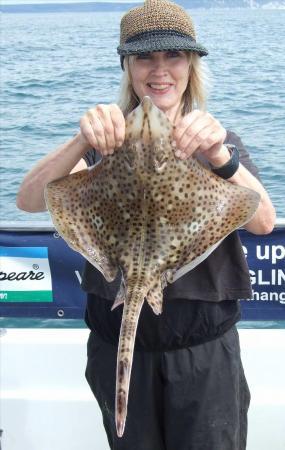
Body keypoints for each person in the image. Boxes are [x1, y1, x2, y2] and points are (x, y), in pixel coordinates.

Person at [17, 0, 276, 449]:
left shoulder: (221, 144)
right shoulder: (103, 146)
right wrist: (82, 139)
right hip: (115, 338)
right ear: (127, 66)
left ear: (191, 66)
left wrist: (218, 157)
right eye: (145, 58)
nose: (160, 71)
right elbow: (30, 199)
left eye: (173, 56)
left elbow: (263, 222)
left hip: (203, 351)